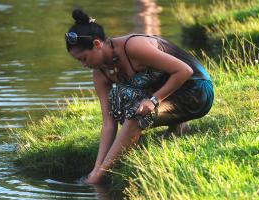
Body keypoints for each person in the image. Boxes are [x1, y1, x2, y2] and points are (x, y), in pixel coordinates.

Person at [65, 9, 214, 184]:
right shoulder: (100, 73)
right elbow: (108, 123)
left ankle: (100, 176)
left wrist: (153, 100)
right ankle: (179, 126)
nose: (83, 65)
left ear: (97, 44)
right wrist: (95, 167)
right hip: (172, 93)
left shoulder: (133, 47)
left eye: (84, 58)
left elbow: (184, 71)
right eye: (79, 61)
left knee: (137, 114)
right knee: (119, 100)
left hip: (196, 90)